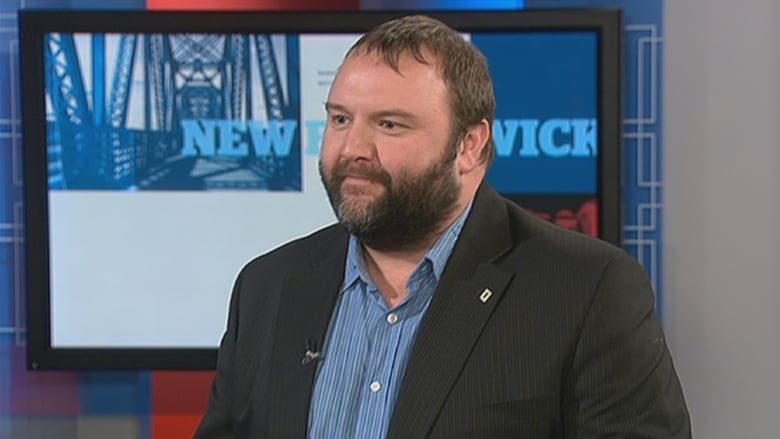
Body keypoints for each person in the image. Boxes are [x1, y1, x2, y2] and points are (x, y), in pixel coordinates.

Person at [194, 15, 691, 438]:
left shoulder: (586, 289)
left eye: (389, 124)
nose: (352, 150)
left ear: (469, 145)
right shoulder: (269, 286)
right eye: (341, 120)